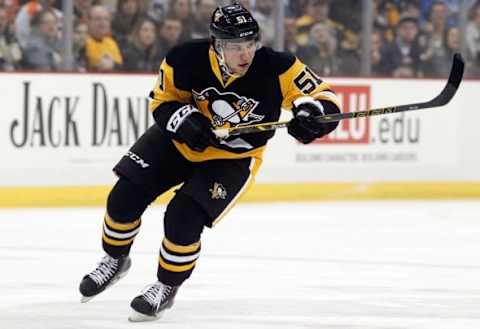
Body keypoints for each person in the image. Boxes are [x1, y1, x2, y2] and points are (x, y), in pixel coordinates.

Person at [78, 2, 341, 322]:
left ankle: (166, 286)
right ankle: (115, 260)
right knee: (123, 197)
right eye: (235, 47)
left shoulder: (278, 66)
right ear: (217, 45)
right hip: (177, 142)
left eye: (250, 44)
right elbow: (162, 102)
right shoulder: (184, 58)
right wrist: (183, 121)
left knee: (182, 217)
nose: (245, 54)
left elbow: (326, 100)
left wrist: (312, 118)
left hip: (233, 157)